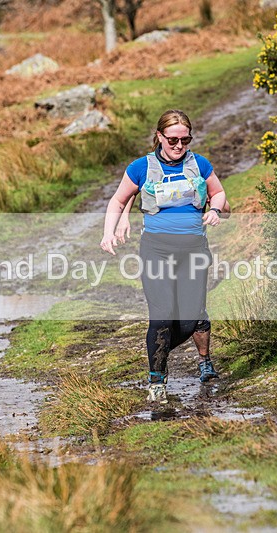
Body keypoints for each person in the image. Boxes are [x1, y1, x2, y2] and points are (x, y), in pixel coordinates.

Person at [100, 109, 228, 404]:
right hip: (156, 250)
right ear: (159, 137)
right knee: (161, 315)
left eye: (185, 140)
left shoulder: (200, 164)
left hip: (194, 250)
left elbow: (218, 193)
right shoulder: (140, 167)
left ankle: (201, 361)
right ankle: (157, 379)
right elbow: (118, 200)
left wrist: (215, 209)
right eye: (173, 140)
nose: (179, 146)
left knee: (192, 316)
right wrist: (108, 233)